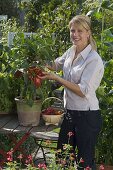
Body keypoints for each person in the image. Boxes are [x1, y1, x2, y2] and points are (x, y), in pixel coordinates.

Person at [39, 15, 104, 170]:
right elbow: (55, 65)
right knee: (63, 158)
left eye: (79, 31)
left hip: (86, 116)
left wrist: (57, 78)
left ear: (88, 33)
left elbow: (82, 91)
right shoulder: (71, 51)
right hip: (70, 114)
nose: (75, 34)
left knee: (85, 163)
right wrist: (39, 62)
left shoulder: (93, 59)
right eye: (72, 30)